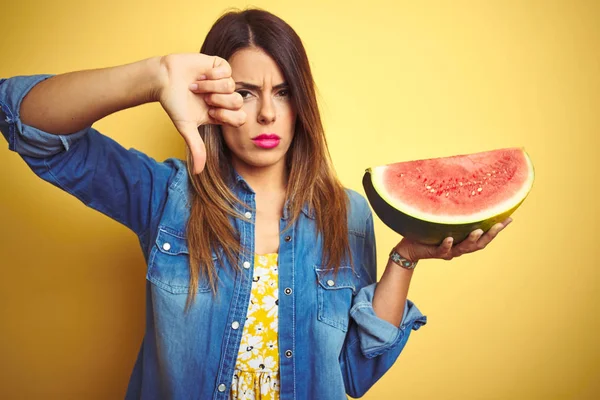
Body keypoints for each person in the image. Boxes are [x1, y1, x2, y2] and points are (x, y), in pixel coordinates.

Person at [0, 8, 511, 400]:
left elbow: (355, 374)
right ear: (211, 102)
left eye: (284, 92)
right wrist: (153, 76)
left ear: (301, 104)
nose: (267, 113)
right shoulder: (166, 197)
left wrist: (405, 258)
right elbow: (28, 123)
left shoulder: (347, 215)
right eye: (244, 93)